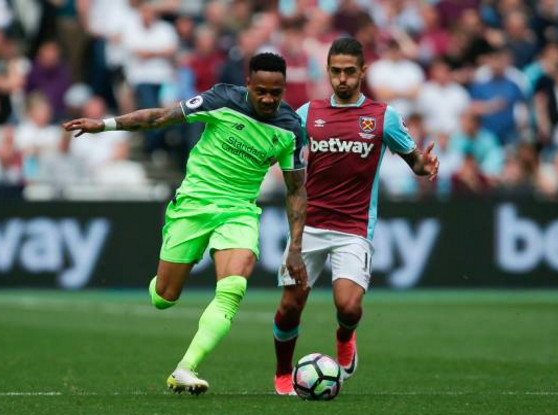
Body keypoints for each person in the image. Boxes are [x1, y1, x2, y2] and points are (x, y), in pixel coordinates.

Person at [63, 53, 308, 395]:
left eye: (276, 93)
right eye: (261, 91)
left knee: (233, 289)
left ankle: (185, 368)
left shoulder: (291, 127)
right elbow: (161, 117)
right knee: (164, 297)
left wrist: (295, 247)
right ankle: (164, 280)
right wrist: (104, 125)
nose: (268, 99)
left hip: (239, 211)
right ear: (248, 84)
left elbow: (296, 189)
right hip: (193, 204)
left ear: (284, 89)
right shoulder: (223, 98)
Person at [272, 38, 439, 395]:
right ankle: (284, 372)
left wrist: (424, 166)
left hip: (353, 226)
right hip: (309, 224)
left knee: (348, 306)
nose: (343, 79)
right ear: (327, 72)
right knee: (289, 306)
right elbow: (281, 151)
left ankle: (345, 336)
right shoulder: (308, 113)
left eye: (350, 71)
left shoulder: (383, 116)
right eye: (336, 72)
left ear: (363, 71)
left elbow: (414, 162)